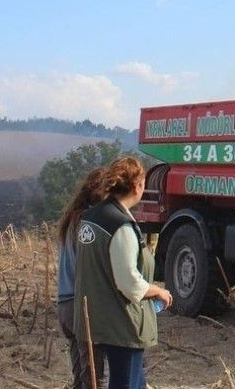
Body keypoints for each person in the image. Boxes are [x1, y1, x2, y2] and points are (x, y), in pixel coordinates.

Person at [74, 157, 172, 389]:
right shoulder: (120, 225)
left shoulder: (89, 218)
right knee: (126, 384)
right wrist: (158, 290)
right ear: (138, 186)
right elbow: (128, 282)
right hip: (121, 323)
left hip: (96, 317)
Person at [56, 168, 107, 389]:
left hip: (64, 304)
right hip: (82, 306)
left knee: (81, 377)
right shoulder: (89, 224)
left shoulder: (71, 220)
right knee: (95, 379)